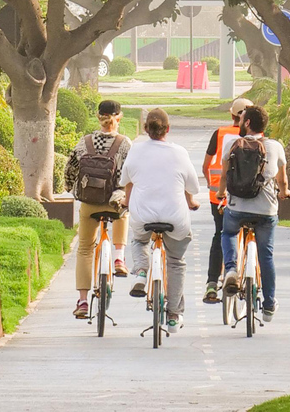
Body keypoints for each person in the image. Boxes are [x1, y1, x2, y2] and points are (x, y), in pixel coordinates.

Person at [120, 108, 200, 333]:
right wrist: (191, 202)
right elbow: (192, 187)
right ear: (168, 129)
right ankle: (174, 314)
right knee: (175, 261)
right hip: (175, 218)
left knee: (138, 241)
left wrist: (127, 202)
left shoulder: (135, 151)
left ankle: (142, 270)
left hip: (142, 216)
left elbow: (126, 180)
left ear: (145, 129)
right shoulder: (179, 153)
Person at [216, 105, 290, 322]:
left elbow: (223, 176)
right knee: (266, 255)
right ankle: (268, 306)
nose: (239, 123)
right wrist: (285, 193)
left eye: (242, 120)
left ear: (247, 123)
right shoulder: (275, 146)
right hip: (266, 211)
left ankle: (231, 270)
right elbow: (283, 181)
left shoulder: (232, 144)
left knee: (228, 233)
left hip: (237, 208)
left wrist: (221, 193)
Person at [64, 100, 132, 319]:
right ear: (118, 117)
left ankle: (83, 301)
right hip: (113, 200)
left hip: (89, 203)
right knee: (124, 206)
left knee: (84, 249)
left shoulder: (84, 143)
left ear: (98, 116)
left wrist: (68, 187)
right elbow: (131, 174)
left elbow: (70, 170)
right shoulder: (124, 144)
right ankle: (119, 258)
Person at [201, 98, 254, 304]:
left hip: (219, 197)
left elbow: (206, 165)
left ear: (232, 115)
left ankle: (212, 284)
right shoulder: (260, 136)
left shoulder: (220, 133)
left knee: (220, 235)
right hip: (250, 196)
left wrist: (210, 184)